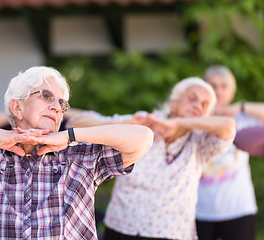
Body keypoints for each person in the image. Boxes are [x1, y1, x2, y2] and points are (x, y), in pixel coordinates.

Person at [0, 66, 154, 240]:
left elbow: (143, 137)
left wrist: (70, 135)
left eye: (61, 103)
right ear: (17, 106)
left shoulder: (81, 155)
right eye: (46, 96)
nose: (57, 107)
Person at [69, 77, 236, 240]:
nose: (198, 105)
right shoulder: (142, 123)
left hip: (172, 234)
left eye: (204, 104)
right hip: (121, 227)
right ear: (173, 103)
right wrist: (125, 123)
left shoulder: (200, 143)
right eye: (192, 98)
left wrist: (180, 124)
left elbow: (229, 126)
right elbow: (78, 124)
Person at [196, 65, 264, 240]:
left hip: (238, 209)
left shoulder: (243, 119)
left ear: (232, 92)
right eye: (213, 85)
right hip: (199, 210)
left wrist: (242, 106)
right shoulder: (194, 119)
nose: (218, 91)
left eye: (224, 86)